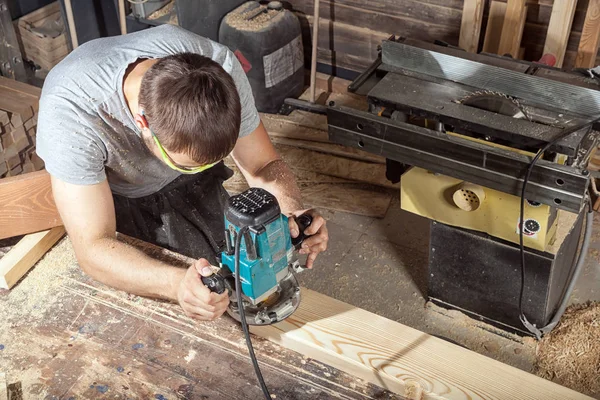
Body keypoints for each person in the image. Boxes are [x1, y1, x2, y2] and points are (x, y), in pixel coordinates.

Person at [36, 24, 328, 322]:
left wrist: (290, 214)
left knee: (234, 277)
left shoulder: (218, 68)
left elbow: (261, 165)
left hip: (198, 186)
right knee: (167, 311)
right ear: (142, 122)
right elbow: (94, 247)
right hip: (121, 200)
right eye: (189, 162)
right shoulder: (71, 115)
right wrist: (176, 284)